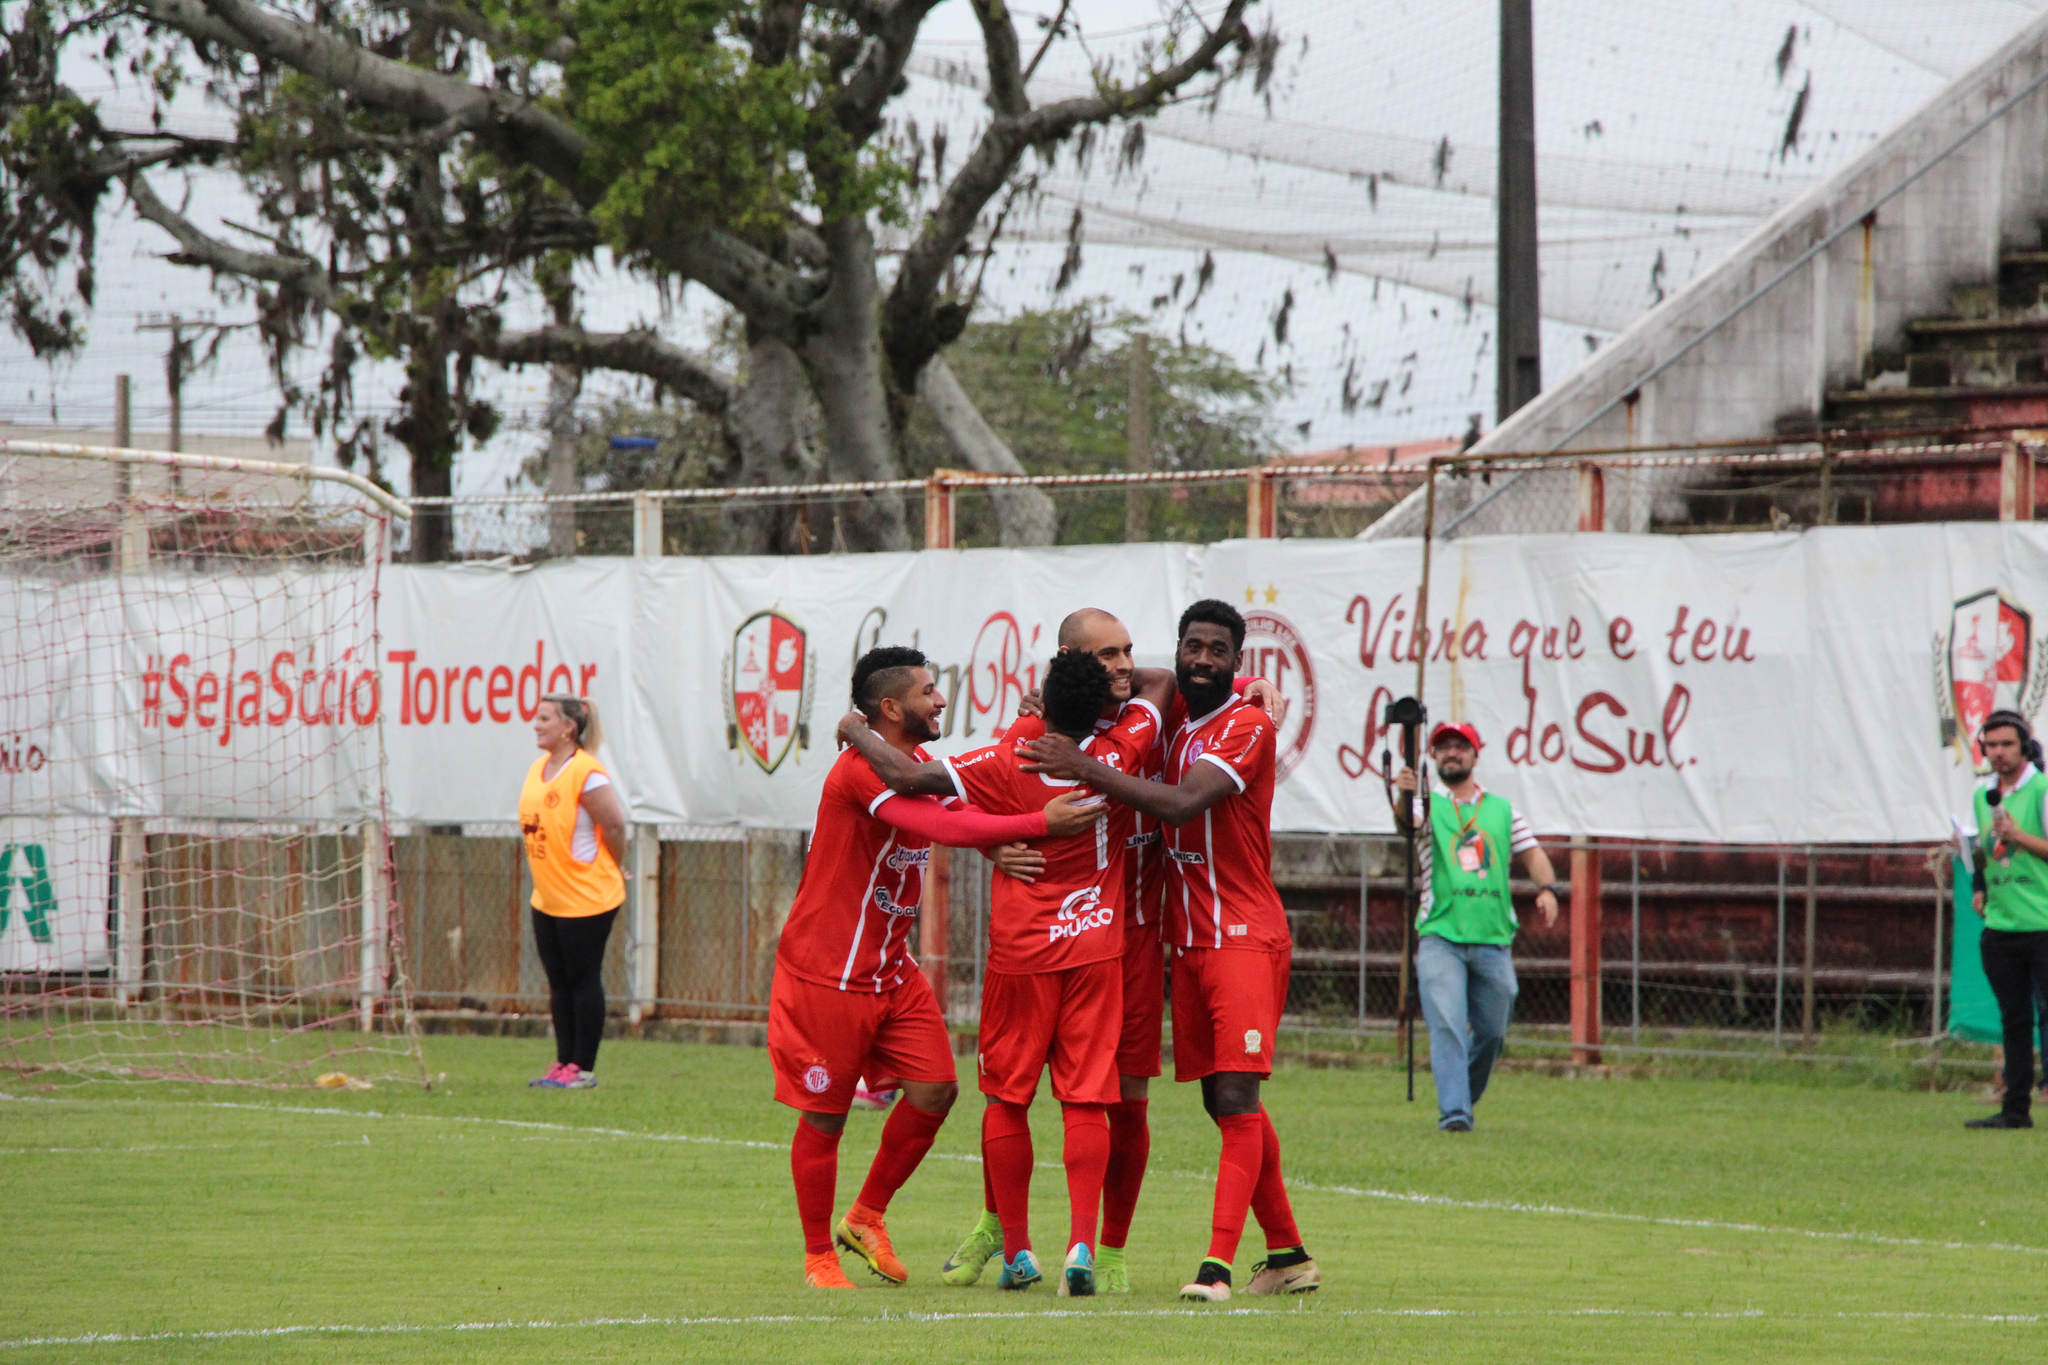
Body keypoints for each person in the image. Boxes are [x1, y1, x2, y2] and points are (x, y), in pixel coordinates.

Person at [927, 607, 1285, 1294]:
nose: (1124, 666)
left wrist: (1250, 685)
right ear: (1068, 661)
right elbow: (964, 801)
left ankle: (1107, 1250)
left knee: (1124, 1101)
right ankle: (997, 1223)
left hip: (1135, 940)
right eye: (1106, 656)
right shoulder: (1035, 733)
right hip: (1048, 940)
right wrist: (992, 837)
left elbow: (1188, 683)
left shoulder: (1153, 716)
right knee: (1013, 1089)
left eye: (1127, 653)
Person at [770, 646, 1105, 1289]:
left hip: (891, 970)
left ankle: (866, 1216)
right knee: (826, 1116)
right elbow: (932, 823)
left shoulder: (916, 764)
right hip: (828, 973)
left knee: (936, 1089)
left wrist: (999, 845)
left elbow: (962, 816)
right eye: (928, 691)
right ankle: (818, 1256)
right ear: (891, 707)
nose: (940, 700)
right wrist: (1042, 823)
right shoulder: (860, 774)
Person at [842, 648, 1166, 1296]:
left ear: (1042, 698)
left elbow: (912, 781)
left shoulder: (1013, 749)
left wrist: (854, 729)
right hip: (1097, 948)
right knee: (1087, 1100)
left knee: (1006, 1096)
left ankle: (1018, 1249)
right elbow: (1157, 687)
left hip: (1023, 952)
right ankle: (1081, 1240)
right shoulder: (1121, 750)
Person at [1021, 599, 1317, 1304]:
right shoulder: (1183, 716)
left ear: (1240, 660)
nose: (1204, 659)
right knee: (1222, 1099)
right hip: (1185, 940)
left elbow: (1183, 804)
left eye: (1220, 650)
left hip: (1242, 934)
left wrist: (1084, 768)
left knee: (1237, 1094)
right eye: (1194, 647)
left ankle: (1216, 1265)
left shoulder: (1246, 725)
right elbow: (1140, 679)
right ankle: (1288, 1254)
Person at [1391, 721, 1561, 1133]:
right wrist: (1404, 791)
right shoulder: (1427, 804)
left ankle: (1462, 1095)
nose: (1452, 753)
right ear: (1433, 756)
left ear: (1475, 754)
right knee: (1447, 1022)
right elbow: (1406, 825)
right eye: (1444, 747)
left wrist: (1548, 888)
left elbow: (1533, 853)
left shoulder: (1503, 810)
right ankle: (1456, 1113)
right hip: (1441, 934)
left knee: (1492, 1032)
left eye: (1460, 746)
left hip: (1493, 937)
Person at [517, 693, 628, 1090]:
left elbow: (615, 826)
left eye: (545, 717)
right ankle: (562, 1063)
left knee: (583, 980)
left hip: (587, 898)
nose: (536, 724)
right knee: (559, 981)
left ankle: (582, 1068)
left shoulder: (587, 772)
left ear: (569, 727)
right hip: (548, 898)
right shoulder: (538, 768)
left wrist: (615, 866)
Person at [1964, 709, 2048, 1129]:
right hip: (2001, 925)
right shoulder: (1983, 796)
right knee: (2014, 1021)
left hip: (2043, 921)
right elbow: (1980, 846)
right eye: (1991, 745)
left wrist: (2019, 837)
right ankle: (2015, 1109)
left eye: (2006, 744)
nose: (1997, 752)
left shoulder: (2043, 791)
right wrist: (1978, 882)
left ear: (2024, 745)